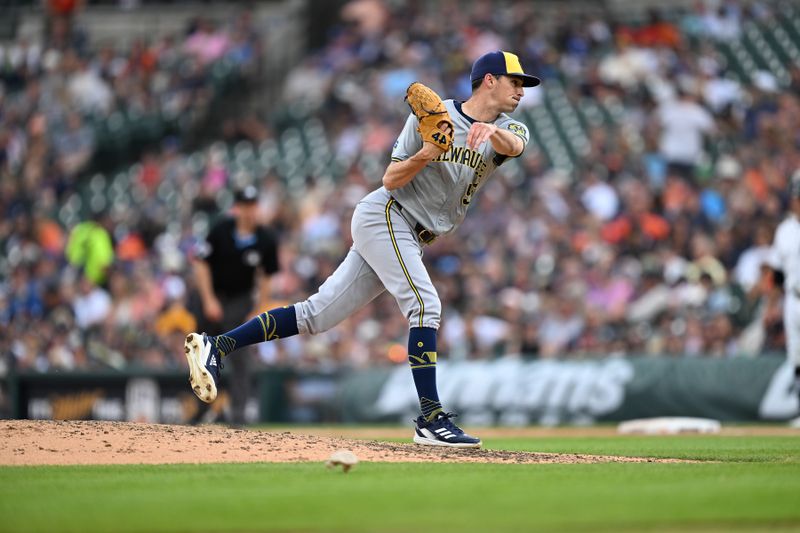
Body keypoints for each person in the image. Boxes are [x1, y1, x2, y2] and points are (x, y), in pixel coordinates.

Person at [184, 50, 538, 448]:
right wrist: (427, 152)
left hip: (414, 235)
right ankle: (431, 418)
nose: (521, 90)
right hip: (387, 214)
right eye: (515, 81)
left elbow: (515, 147)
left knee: (315, 316)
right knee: (425, 305)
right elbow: (390, 178)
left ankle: (219, 345)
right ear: (489, 80)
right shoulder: (431, 118)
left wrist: (490, 133)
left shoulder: (509, 128)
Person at [191, 184, 279, 426]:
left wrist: (259, 309)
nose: (249, 212)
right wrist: (208, 299)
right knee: (202, 353)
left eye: (252, 206)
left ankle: (238, 415)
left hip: (241, 299)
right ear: (237, 208)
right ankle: (202, 411)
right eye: (244, 206)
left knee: (240, 356)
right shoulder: (221, 229)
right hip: (214, 295)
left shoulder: (266, 238)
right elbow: (200, 263)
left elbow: (267, 277)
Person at [767, 178, 800, 427]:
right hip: (792, 299)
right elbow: (777, 275)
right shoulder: (784, 230)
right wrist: (772, 304)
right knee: (796, 357)